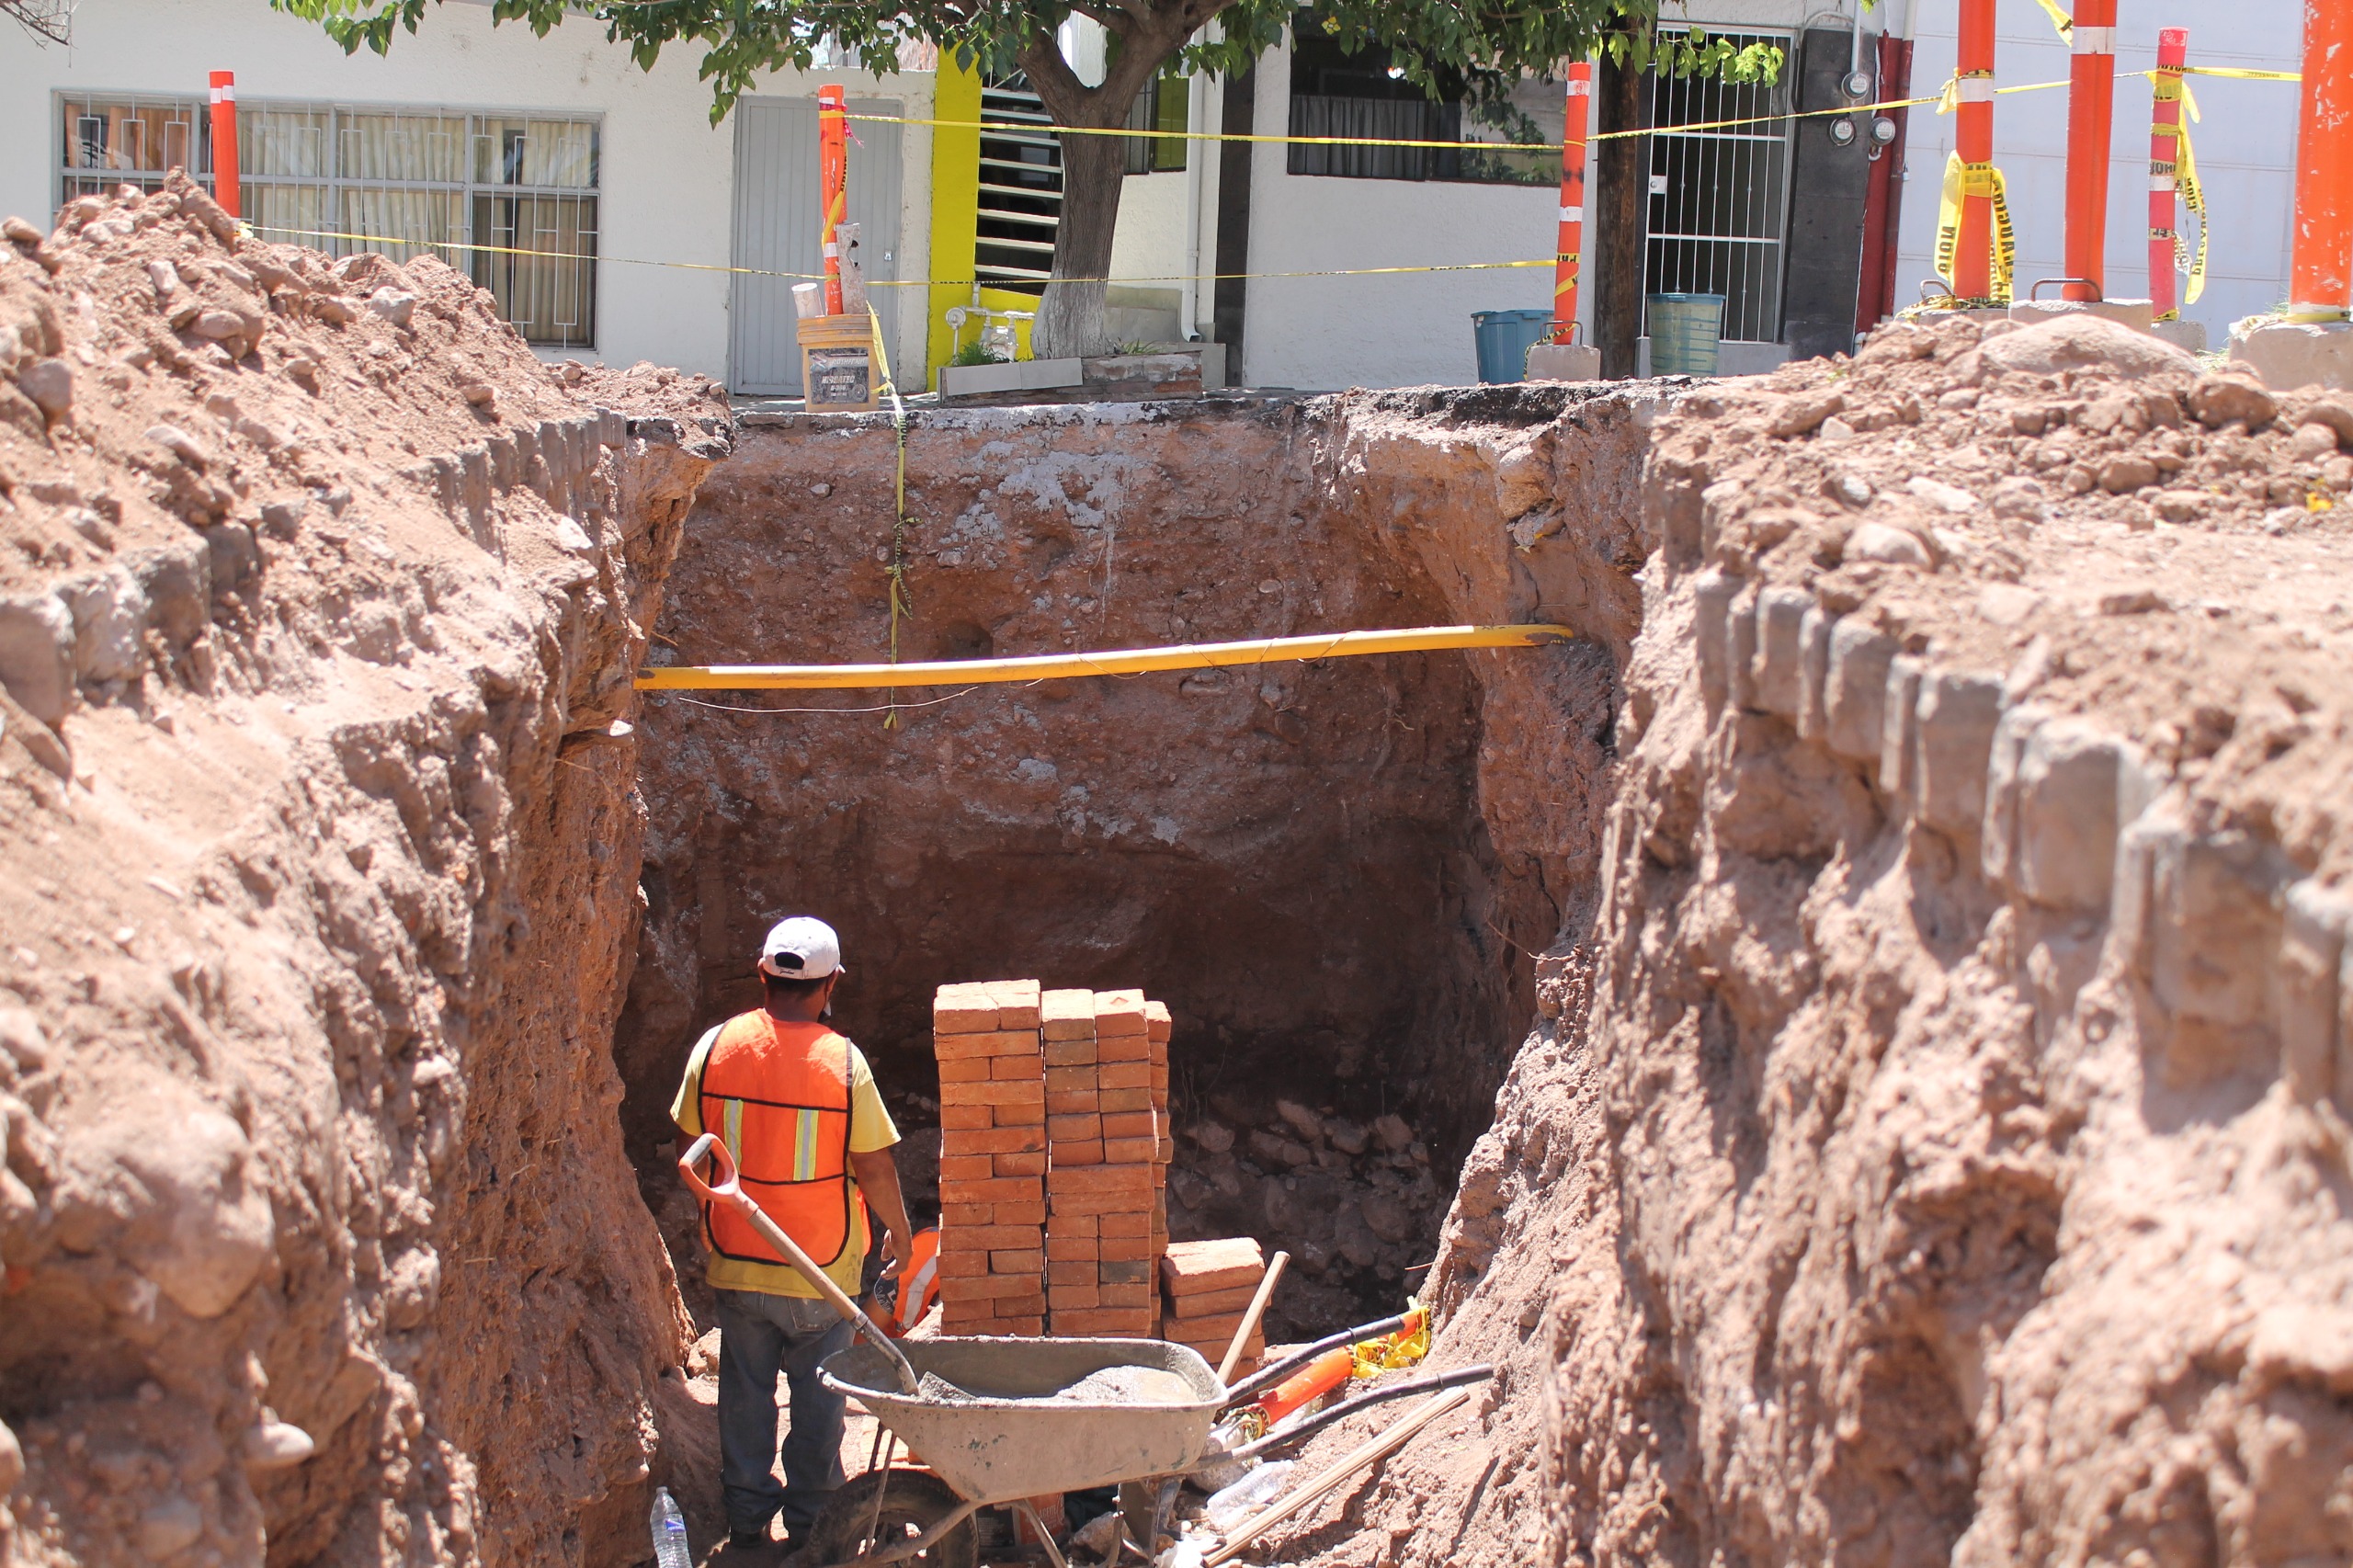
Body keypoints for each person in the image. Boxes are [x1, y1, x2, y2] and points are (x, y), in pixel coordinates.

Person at [671, 916, 914, 1554]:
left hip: (739, 1257)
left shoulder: (716, 1045)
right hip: (820, 1267)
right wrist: (902, 1236)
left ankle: (747, 1519)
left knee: (744, 1395)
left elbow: (688, 1145)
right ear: (832, 983)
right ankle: (812, 1524)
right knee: (818, 1402)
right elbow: (875, 1165)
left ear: (762, 974)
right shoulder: (843, 1064)